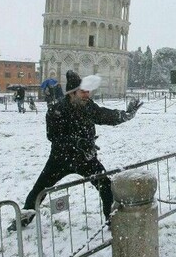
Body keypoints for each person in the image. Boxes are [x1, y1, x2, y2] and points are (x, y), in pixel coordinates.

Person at [9, 71, 142, 231]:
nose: (87, 94)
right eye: (83, 91)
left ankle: (111, 219)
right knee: (40, 189)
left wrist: (124, 115)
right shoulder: (56, 110)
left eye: (88, 91)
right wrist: (77, 142)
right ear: (72, 93)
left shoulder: (88, 106)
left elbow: (104, 115)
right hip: (60, 159)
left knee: (105, 185)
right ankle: (24, 218)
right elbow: (53, 136)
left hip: (85, 158)